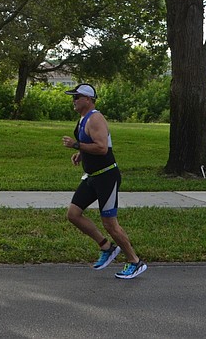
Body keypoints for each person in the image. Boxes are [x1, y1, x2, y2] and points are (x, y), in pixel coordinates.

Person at [62, 83, 147, 279]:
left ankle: (135, 261)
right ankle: (106, 247)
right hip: (93, 176)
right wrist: (80, 153)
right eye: (72, 97)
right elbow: (93, 144)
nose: (73, 100)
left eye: (77, 97)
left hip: (106, 176)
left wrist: (76, 144)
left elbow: (101, 148)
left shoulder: (96, 118)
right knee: (73, 214)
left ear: (88, 100)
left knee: (110, 223)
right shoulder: (83, 119)